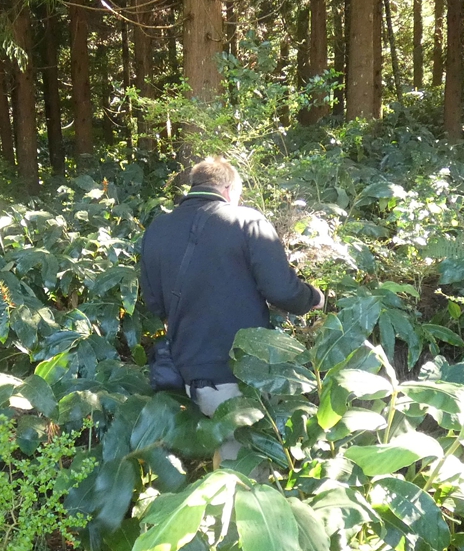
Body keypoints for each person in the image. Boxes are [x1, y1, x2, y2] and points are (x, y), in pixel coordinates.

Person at [139, 156, 325, 420]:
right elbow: (281, 290)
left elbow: (155, 303)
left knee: (216, 455)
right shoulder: (247, 221)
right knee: (242, 459)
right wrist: (313, 297)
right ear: (228, 189)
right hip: (238, 373)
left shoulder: (157, 229)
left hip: (183, 374)